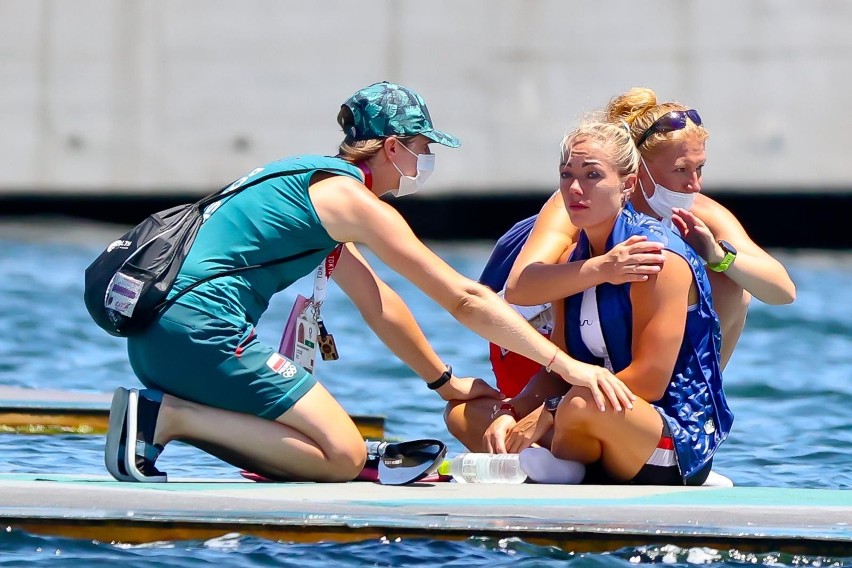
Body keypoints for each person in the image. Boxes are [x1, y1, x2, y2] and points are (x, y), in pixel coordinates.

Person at [104, 81, 635, 483]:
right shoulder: (353, 201)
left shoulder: (308, 180)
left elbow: (377, 300)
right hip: (202, 339)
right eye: (422, 147)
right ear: (391, 148)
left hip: (158, 343)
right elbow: (465, 298)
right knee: (341, 456)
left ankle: (157, 427)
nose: (425, 161)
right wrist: (566, 366)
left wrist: (442, 381)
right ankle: (167, 417)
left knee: (330, 448)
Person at [446, 117, 733, 486]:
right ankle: (558, 466)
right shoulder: (574, 261)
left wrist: (549, 412)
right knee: (465, 414)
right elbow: (558, 368)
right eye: (567, 175)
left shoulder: (655, 258)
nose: (575, 189)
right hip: (587, 416)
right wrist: (512, 410)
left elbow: (650, 381)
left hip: (672, 436)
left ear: (628, 185)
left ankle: (554, 469)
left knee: (579, 405)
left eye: (592, 175)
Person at [482, 87, 796, 395]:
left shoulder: (700, 211)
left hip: (611, 353)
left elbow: (782, 291)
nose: (694, 184)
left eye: (699, 169)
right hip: (535, 349)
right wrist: (604, 267)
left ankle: (688, 404)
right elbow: (520, 287)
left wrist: (718, 256)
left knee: (731, 286)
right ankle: (560, 410)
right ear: (636, 171)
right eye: (681, 170)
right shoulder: (579, 201)